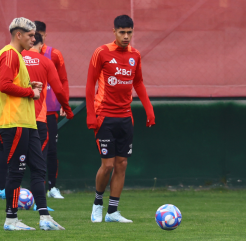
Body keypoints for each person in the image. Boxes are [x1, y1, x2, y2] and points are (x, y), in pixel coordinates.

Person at [0, 17, 64, 231]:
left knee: (39, 169)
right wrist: (29, 91)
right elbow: (4, 85)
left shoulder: (19, 56)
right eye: (31, 35)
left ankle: (44, 217)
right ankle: (11, 220)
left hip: (27, 121)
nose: (35, 38)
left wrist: (27, 85)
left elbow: (11, 84)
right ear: (18, 35)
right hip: (13, 121)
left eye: (35, 35)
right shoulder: (9, 54)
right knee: (17, 170)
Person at [87, 15, 155, 223]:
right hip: (104, 116)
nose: (126, 36)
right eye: (122, 32)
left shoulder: (135, 55)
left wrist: (149, 109)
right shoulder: (102, 52)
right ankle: (97, 205)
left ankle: (112, 211)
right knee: (107, 165)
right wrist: (91, 115)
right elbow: (90, 85)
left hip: (125, 117)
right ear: (114, 32)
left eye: (129, 32)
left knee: (122, 164)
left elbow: (139, 83)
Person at [34, 20, 69, 199]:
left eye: (40, 33)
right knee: (31, 149)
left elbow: (63, 80)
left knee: (51, 149)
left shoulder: (54, 54)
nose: (37, 36)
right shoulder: (22, 54)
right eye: (34, 33)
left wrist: (64, 103)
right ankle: (31, 188)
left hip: (49, 111)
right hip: (29, 110)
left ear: (45, 35)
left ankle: (52, 187)